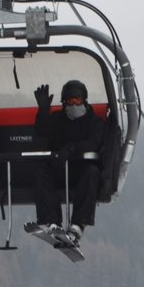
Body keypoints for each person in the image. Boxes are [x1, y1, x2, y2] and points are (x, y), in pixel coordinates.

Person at [32, 80, 105, 244]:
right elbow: (42, 131)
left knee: (92, 172)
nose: (73, 105)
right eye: (69, 101)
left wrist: (71, 148)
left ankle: (78, 225)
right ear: (63, 102)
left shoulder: (94, 122)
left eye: (77, 100)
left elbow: (94, 142)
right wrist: (43, 111)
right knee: (41, 171)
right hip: (59, 169)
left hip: (80, 171)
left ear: (84, 100)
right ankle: (51, 222)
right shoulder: (58, 118)